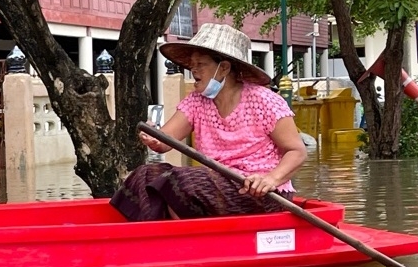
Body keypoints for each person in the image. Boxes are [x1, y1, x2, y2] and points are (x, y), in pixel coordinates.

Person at [110, 23, 307, 222]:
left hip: (260, 192)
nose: (193, 70)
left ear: (223, 68)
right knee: (146, 175)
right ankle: (160, 237)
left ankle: (184, 240)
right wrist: (153, 137)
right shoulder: (196, 101)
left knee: (180, 181)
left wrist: (270, 179)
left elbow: (296, 151)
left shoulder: (264, 100)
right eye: (192, 64)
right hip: (214, 186)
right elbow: (163, 142)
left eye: (200, 64)